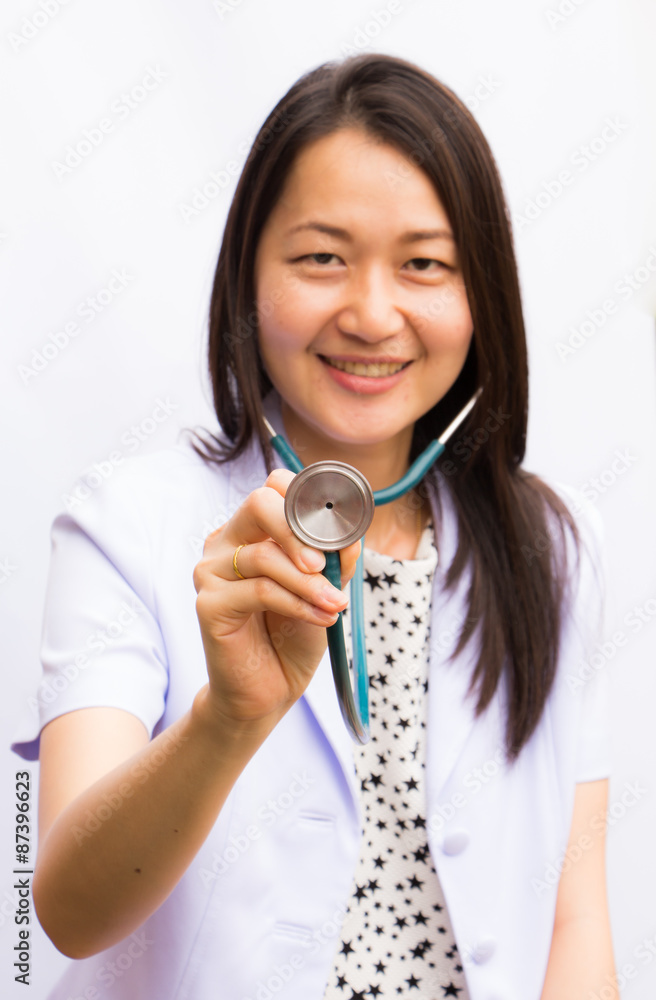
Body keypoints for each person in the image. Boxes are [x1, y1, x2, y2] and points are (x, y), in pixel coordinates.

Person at [12, 53, 618, 1000]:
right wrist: (227, 720)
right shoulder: (126, 523)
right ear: (248, 278)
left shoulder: (555, 544)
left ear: (482, 294)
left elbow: (574, 920)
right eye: (322, 258)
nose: (372, 315)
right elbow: (65, 911)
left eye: (425, 264)